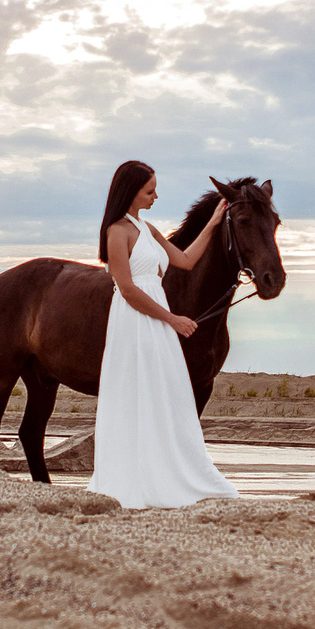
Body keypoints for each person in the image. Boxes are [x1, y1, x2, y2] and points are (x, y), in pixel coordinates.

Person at [90, 159, 240, 508]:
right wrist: (172, 319)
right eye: (149, 190)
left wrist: (214, 223)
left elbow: (186, 260)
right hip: (134, 319)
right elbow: (126, 289)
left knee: (165, 393)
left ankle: (171, 471)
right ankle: (134, 479)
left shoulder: (149, 229)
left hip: (154, 316)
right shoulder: (117, 231)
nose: (156, 196)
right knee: (136, 393)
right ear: (129, 192)